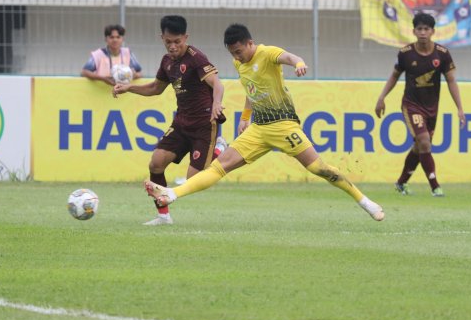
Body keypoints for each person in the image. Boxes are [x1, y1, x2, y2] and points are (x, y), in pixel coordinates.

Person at [144, 23, 385, 222]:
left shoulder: (267, 53)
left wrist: (299, 63)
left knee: (318, 168)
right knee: (218, 168)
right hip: (258, 129)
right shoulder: (240, 64)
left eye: (239, 51)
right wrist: (245, 118)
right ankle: (171, 194)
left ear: (250, 43)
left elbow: (289, 56)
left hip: (284, 125)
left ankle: (365, 201)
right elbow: (253, 89)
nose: (236, 57)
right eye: (232, 53)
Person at [115, 15, 227, 226]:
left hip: (204, 123)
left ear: (186, 37)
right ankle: (163, 216)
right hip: (182, 122)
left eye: (177, 41)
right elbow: (155, 88)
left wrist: (216, 104)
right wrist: (129, 88)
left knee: (193, 179)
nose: (173, 46)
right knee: (156, 163)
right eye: (168, 42)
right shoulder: (167, 62)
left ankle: (219, 149)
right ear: (162, 38)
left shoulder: (196, 58)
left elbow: (217, 84)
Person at [374, 12, 465, 197]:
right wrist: (381, 98)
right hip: (411, 106)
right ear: (414, 31)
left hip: (432, 108)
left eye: (426, 29)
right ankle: (435, 186)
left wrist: (460, 108)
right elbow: (394, 76)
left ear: (433, 31)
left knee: (419, 146)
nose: (423, 32)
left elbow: (451, 81)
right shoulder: (405, 54)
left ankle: (401, 183)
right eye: (419, 29)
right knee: (424, 141)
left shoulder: (442, 54)